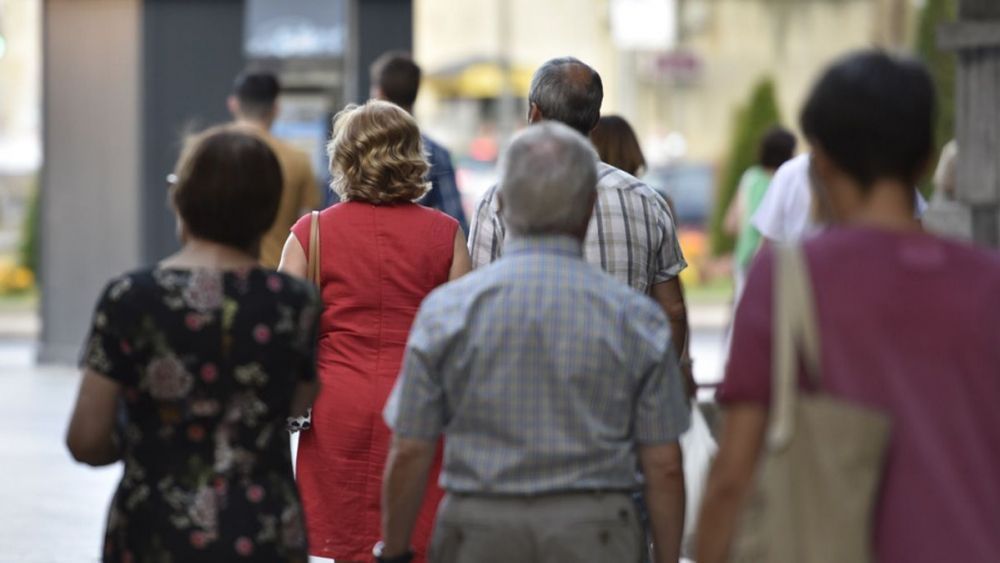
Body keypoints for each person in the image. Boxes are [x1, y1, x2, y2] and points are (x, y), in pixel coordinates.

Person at [696, 51, 1000, 563]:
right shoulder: (988, 282)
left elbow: (733, 475)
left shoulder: (786, 280)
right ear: (927, 158)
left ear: (821, 158)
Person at [378, 122, 691, 563]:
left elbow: (410, 446)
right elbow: (665, 464)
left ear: (502, 205)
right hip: (597, 533)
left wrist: (393, 551)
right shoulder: (637, 319)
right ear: (586, 209)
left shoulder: (447, 313)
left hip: (480, 531)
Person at [66, 125, 320, 562]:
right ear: (267, 208)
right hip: (263, 529)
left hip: (156, 529)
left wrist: (145, 442)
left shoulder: (132, 298)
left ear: (181, 199)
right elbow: (297, 404)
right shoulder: (294, 303)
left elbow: (86, 439)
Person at [278, 100, 471, 563]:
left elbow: (281, 330)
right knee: (411, 536)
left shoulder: (312, 233)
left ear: (344, 157)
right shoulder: (446, 235)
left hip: (335, 407)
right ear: (412, 157)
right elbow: (462, 337)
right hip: (417, 407)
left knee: (343, 544)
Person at [468, 57, 693, 391]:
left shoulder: (498, 198)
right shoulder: (647, 201)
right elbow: (672, 309)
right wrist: (655, 387)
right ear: (596, 120)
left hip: (528, 394)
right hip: (622, 394)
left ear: (534, 114)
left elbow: (479, 308)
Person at [228, 71, 320, 268]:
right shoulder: (298, 160)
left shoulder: (206, 154)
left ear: (233, 104)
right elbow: (308, 232)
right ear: (276, 109)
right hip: (276, 278)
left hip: (219, 277)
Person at [370, 52, 469, 233]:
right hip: (418, 256)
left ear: (379, 93)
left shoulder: (359, 149)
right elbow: (457, 224)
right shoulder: (436, 153)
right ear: (415, 93)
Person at [724, 127, 796, 295]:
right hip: (774, 257)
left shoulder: (750, 177)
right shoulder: (786, 179)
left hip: (744, 256)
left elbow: (730, 224)